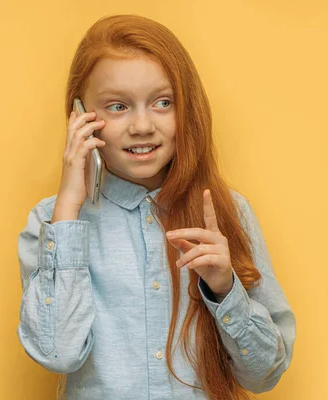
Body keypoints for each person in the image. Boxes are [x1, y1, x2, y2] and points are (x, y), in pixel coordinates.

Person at [17, 14, 296, 400]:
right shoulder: (52, 221)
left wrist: (224, 289)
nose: (142, 125)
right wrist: (68, 207)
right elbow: (57, 352)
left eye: (162, 102)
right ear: (80, 116)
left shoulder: (228, 212)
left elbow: (264, 375)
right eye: (118, 107)